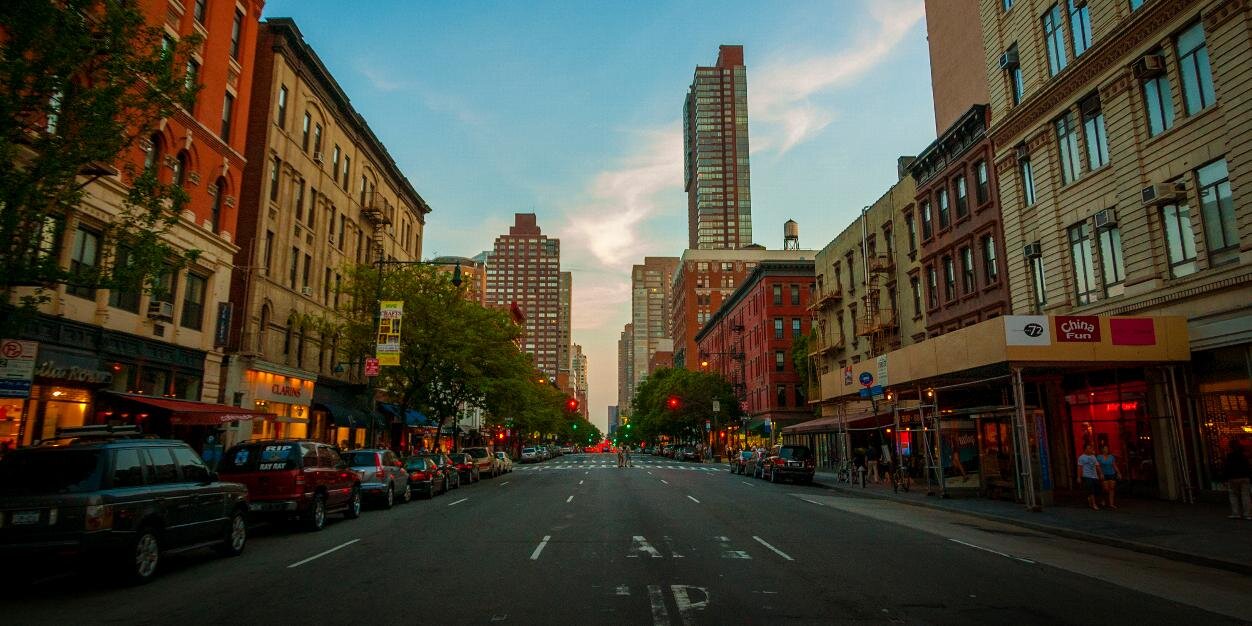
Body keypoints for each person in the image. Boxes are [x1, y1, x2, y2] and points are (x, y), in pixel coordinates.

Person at [1223, 439, 1250, 520]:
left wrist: (1225, 479)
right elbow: (1248, 466)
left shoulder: (1229, 456)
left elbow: (1227, 468)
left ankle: (1236, 513)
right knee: (1245, 496)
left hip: (1233, 477)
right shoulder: (1244, 455)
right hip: (1244, 477)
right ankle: (1248, 514)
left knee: (1233, 496)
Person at [1077, 444, 1102, 510]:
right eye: (1089, 448)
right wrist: (1079, 477)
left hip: (1095, 476)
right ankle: (1094, 504)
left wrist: (1101, 473)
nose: (1090, 450)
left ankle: (1090, 500)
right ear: (1085, 449)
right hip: (1087, 476)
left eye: (1091, 448)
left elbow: (1097, 465)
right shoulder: (1081, 457)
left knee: (1097, 489)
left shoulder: (1093, 457)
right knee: (1091, 490)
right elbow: (1079, 467)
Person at [1096, 445, 1120, 509]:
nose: (1106, 450)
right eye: (1105, 448)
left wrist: (1118, 472)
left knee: (1112, 488)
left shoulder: (1111, 457)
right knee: (1105, 489)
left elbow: (1114, 465)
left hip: (1112, 473)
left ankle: (1111, 504)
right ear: (1102, 449)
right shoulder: (1099, 457)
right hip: (1104, 474)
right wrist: (1100, 473)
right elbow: (1098, 466)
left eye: (1107, 448)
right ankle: (1103, 499)